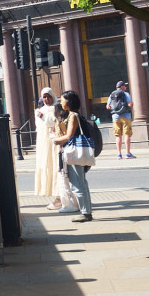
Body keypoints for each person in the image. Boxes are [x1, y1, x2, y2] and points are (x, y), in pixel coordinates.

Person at [53, 90, 92, 222]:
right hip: (79, 153)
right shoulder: (74, 115)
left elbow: (69, 136)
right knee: (82, 183)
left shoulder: (73, 116)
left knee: (77, 184)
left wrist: (56, 140)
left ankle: (85, 213)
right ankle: (86, 212)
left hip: (75, 153)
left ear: (69, 102)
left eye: (62, 99)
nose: (61, 102)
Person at [34, 87, 60, 208]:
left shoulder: (57, 108)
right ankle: (57, 196)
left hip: (55, 142)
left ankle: (60, 197)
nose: (46, 99)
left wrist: (44, 117)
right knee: (48, 165)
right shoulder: (40, 110)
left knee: (57, 167)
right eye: (44, 97)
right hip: (44, 144)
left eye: (48, 96)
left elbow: (56, 123)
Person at [107, 80, 134, 159]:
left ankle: (119, 154)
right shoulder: (126, 94)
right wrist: (131, 104)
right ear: (122, 87)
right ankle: (128, 153)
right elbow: (130, 104)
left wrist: (115, 109)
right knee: (127, 134)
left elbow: (108, 106)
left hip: (115, 117)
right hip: (126, 116)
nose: (125, 87)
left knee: (118, 136)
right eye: (125, 86)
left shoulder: (112, 94)